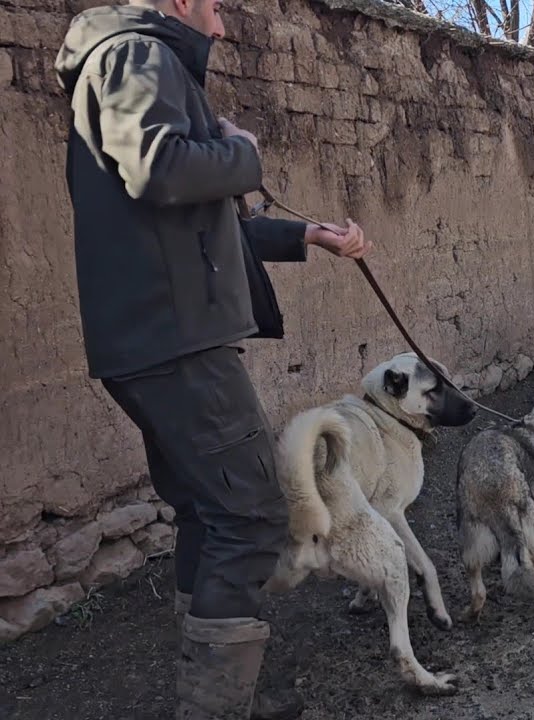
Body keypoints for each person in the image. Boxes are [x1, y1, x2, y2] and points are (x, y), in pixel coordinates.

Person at [55, 1, 370, 717]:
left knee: (210, 510)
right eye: (217, 6)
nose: (223, 26)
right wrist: (244, 151)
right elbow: (159, 169)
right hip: (174, 339)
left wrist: (308, 236)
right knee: (253, 513)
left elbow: (193, 225)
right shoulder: (137, 55)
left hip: (156, 338)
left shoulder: (131, 61)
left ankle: (213, 690)